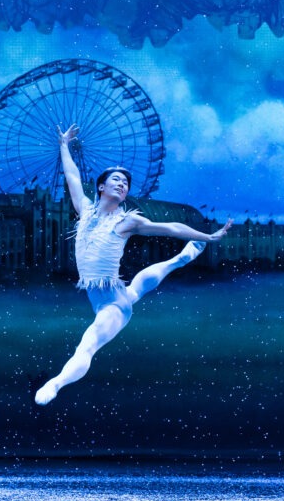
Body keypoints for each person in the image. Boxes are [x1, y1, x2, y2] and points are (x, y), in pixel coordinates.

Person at [34, 123, 233, 406]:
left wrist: (208, 236)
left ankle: (56, 382)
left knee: (87, 346)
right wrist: (64, 144)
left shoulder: (128, 221)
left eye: (125, 184)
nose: (121, 184)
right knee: (136, 290)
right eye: (116, 179)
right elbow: (72, 175)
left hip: (112, 307)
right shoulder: (85, 208)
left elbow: (172, 228)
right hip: (111, 294)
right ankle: (182, 258)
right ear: (101, 187)